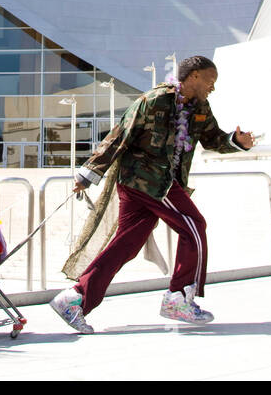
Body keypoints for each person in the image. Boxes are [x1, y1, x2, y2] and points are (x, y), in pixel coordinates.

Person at [51, 55, 255, 334]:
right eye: (210, 80)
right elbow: (120, 134)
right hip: (149, 180)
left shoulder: (200, 107)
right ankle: (179, 297)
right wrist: (89, 173)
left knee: (127, 245)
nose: (212, 87)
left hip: (153, 184)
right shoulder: (155, 100)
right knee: (194, 226)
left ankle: (74, 299)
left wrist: (236, 141)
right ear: (193, 76)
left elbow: (213, 139)